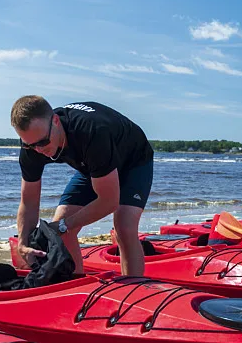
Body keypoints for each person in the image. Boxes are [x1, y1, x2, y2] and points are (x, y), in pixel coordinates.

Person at [11, 96, 154, 276]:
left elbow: (109, 202)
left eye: (42, 142)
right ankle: (77, 283)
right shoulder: (32, 145)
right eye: (30, 145)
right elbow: (29, 201)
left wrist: (64, 226)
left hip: (134, 160)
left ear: (55, 121)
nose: (38, 150)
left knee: (124, 227)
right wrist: (23, 243)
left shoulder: (91, 132)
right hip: (94, 165)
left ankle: (132, 288)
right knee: (61, 224)